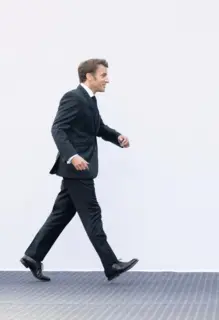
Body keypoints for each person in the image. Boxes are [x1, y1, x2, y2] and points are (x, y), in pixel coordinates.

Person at [20, 58, 138, 281]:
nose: (108, 80)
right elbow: (58, 129)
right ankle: (111, 264)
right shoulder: (73, 98)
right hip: (77, 167)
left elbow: (98, 128)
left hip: (80, 168)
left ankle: (33, 256)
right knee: (92, 212)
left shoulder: (90, 100)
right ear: (89, 77)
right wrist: (72, 156)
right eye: (103, 75)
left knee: (61, 214)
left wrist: (117, 137)